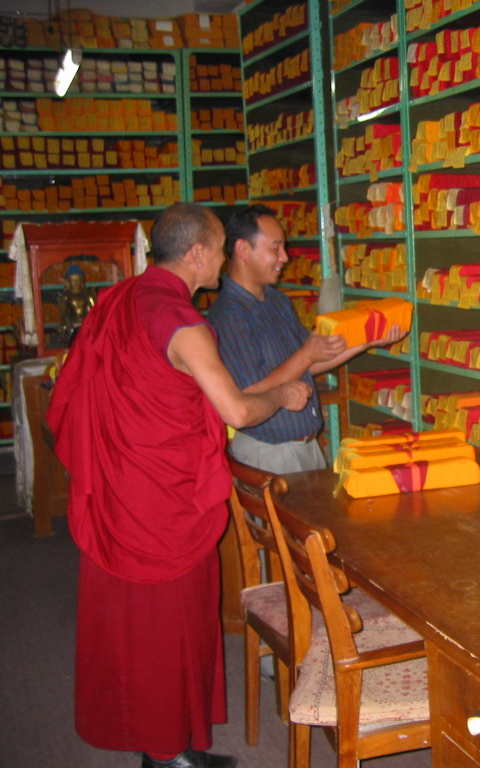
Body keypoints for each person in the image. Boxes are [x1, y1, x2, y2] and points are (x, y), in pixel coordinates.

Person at [46, 202, 312, 768]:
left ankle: (173, 742)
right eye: (218, 249)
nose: (221, 260)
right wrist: (283, 397)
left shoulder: (119, 299)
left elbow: (73, 393)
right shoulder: (184, 322)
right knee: (163, 630)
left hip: (127, 484)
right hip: (161, 505)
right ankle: (165, 755)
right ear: (197, 254)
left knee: (169, 624)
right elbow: (237, 408)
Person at [207, 203, 405, 474]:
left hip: (305, 448)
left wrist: (370, 340)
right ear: (243, 250)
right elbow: (248, 393)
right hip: (269, 454)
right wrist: (307, 354)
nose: (285, 258)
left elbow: (308, 364)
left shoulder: (276, 301)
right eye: (275, 249)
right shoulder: (229, 315)